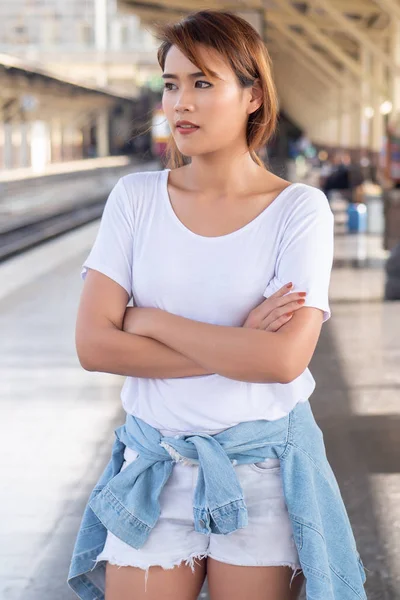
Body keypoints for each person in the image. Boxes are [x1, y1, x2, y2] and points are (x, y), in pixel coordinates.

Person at [67, 10, 367, 600]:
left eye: (203, 83)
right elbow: (94, 345)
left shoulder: (298, 211)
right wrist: (239, 344)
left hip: (262, 472)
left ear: (253, 95)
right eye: (171, 84)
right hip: (155, 468)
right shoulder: (135, 199)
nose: (181, 103)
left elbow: (283, 362)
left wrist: (149, 322)